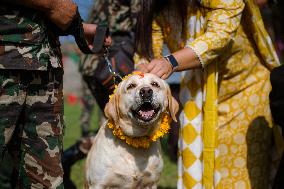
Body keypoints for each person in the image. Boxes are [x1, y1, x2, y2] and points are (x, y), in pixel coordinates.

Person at [135, 0, 281, 188]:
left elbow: (218, 36)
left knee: (239, 175)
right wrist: (142, 74)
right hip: (199, 100)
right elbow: (146, 52)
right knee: (203, 169)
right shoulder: (161, 8)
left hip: (245, 91)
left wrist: (170, 61)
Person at [0, 0, 111, 188]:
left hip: (46, 64)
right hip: (5, 62)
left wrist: (77, 27)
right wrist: (54, 5)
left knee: (47, 180)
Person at [62, 0, 140, 188]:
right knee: (117, 126)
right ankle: (71, 161)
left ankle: (68, 158)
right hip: (110, 59)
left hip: (95, 60)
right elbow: (140, 21)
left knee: (109, 126)